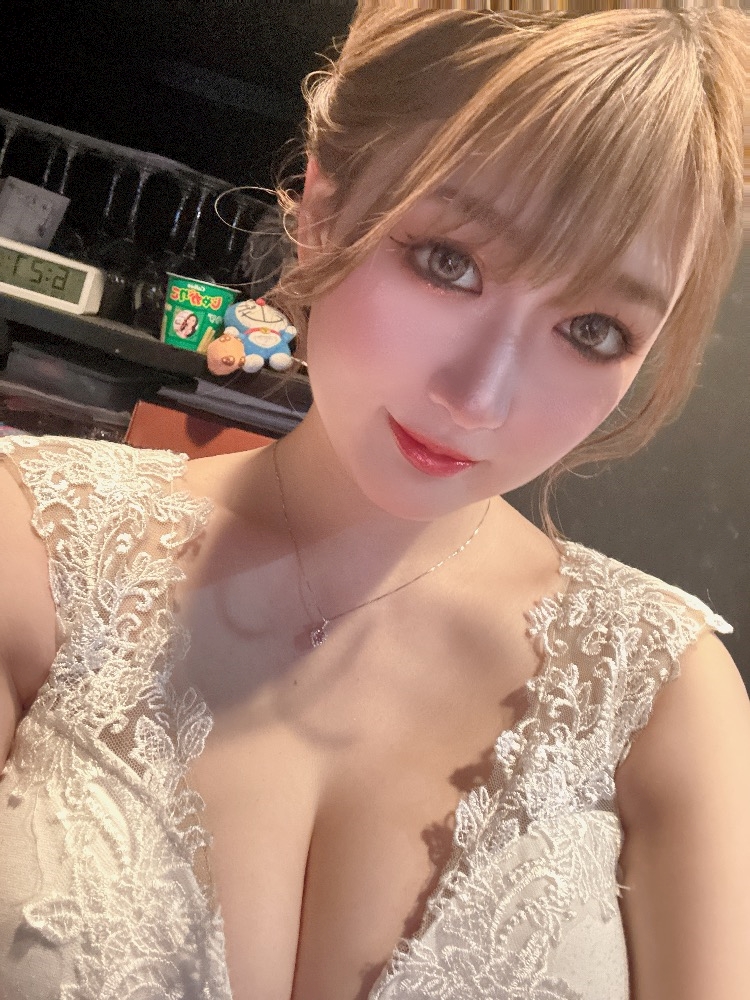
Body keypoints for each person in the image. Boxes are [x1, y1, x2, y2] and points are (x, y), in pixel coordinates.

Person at [0, 4, 748, 999]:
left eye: (595, 330)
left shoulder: (663, 698)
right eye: (449, 262)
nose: (478, 398)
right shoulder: (32, 545)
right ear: (324, 205)